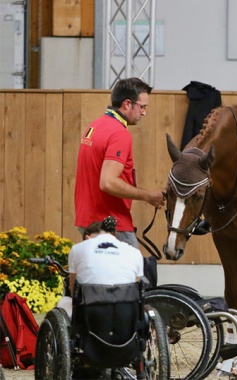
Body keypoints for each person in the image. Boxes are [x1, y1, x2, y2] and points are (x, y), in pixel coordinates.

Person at [74, 77, 166, 248]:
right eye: (142, 107)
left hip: (87, 221)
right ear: (127, 104)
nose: (144, 112)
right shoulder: (119, 133)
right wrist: (147, 196)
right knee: (130, 273)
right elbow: (108, 182)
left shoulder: (94, 127)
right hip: (111, 224)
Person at [57, 216, 144, 319]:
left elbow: (73, 289)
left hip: (90, 313)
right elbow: (135, 284)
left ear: (87, 237)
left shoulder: (78, 249)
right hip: (125, 313)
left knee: (64, 302)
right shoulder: (134, 252)